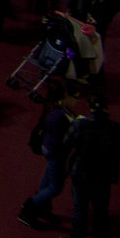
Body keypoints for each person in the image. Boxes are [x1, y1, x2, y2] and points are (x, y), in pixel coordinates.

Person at [64, 95, 120, 238]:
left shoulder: (80, 125)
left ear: (90, 107)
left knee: (80, 209)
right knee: (101, 212)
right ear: (106, 108)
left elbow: (66, 143)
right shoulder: (116, 128)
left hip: (81, 174)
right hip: (104, 177)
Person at [20, 86, 80, 230]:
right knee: (55, 187)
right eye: (75, 97)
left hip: (51, 150)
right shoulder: (57, 116)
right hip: (56, 153)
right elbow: (61, 140)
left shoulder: (57, 110)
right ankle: (28, 209)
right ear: (65, 97)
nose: (76, 101)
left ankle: (41, 207)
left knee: (47, 181)